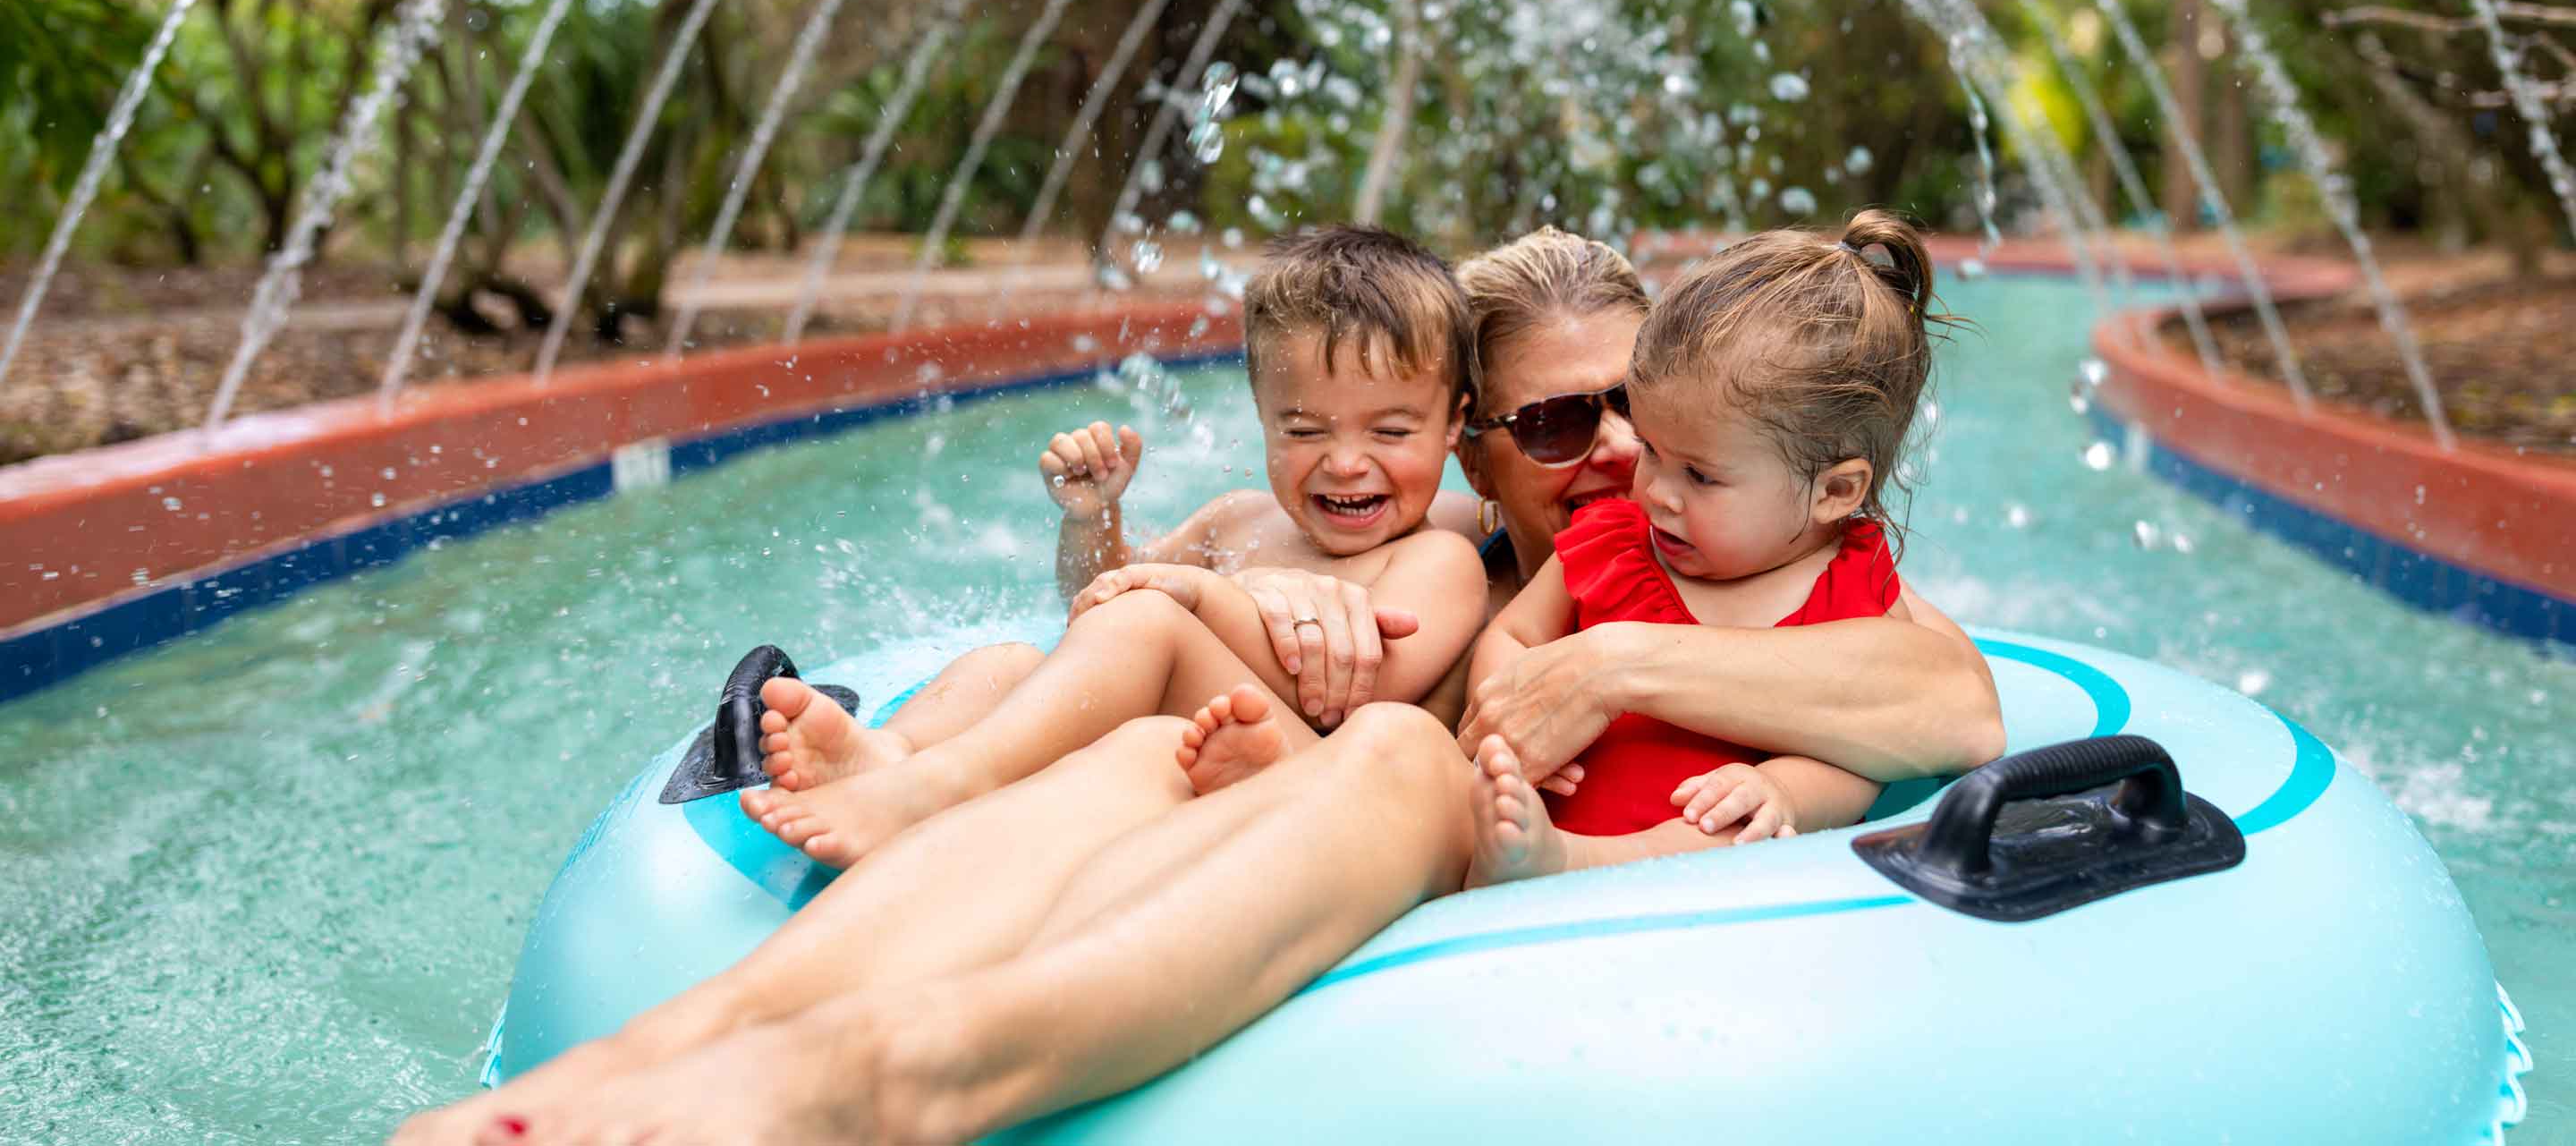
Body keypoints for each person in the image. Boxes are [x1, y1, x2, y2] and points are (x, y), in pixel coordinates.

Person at [400, 220, 2002, 1146]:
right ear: (1470, 433)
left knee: (1378, 754)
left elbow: (1949, 711)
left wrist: (1616, 671)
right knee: (1152, 741)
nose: (1622, 461)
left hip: (1464, 848)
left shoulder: (1754, 562)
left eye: (1635, 417)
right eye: (1559, 425)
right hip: (1310, 806)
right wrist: (1157, 576)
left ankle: (876, 1080)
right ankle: (662, 1054)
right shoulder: (1465, 543)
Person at [734, 225, 1492, 868]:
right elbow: (1097, 603)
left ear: (1454, 424)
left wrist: (1194, 596)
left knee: (1151, 620)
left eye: (1390, 431)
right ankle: (889, 755)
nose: (1346, 461)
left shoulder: (1437, 559)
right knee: (1007, 664)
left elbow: (1359, 692)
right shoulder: (1238, 518)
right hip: (1201, 731)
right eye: (1304, 429)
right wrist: (1094, 521)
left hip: (1313, 770)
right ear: (1261, 410)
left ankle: (939, 788)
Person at [1462, 209, 1951, 883]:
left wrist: (1786, 791)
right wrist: (1507, 722)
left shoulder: (1852, 589)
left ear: (1835, 492)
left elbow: (1866, 748)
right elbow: (1514, 636)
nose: (1651, 486)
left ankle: (1568, 863)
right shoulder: (1612, 543)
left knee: (1732, 827)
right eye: (1553, 422)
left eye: (1698, 474)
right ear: (1470, 460)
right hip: (1553, 809)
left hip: (1699, 863)